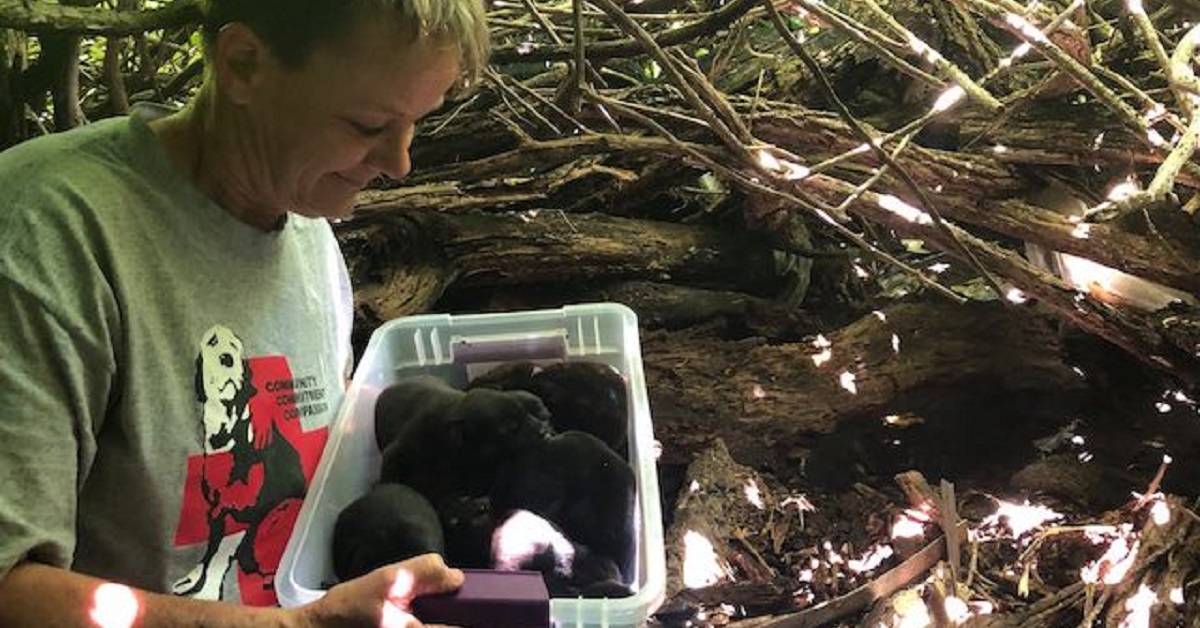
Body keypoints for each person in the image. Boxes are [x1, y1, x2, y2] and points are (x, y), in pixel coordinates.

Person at [0, 0, 489, 625]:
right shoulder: (49, 232)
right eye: (368, 125)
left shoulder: (309, 233)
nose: (400, 162)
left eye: (418, 121)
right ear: (243, 65)